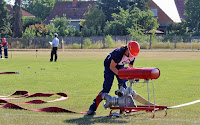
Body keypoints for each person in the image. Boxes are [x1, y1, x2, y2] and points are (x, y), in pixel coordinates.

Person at [87, 41, 154, 115]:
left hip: (120, 66)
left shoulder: (133, 55)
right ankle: (92, 108)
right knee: (106, 88)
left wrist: (134, 76)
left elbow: (131, 68)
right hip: (109, 66)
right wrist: (122, 75)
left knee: (123, 88)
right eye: (131, 54)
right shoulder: (118, 53)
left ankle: (123, 109)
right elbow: (112, 67)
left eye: (133, 55)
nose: (132, 57)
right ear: (127, 50)